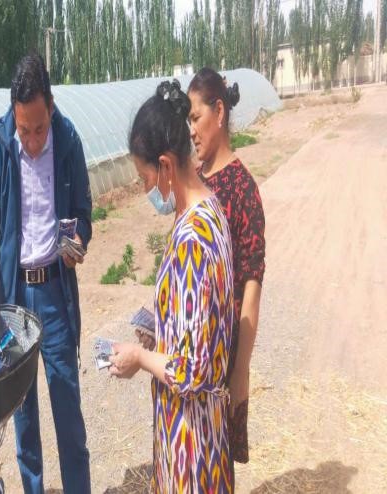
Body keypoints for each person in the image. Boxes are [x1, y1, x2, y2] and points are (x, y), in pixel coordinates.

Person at [0, 53, 92, 493]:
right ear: (13, 115)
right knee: (23, 417)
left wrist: (79, 240)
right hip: (14, 298)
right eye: (25, 129)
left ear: (50, 107)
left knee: (68, 414)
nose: (33, 141)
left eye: (39, 128)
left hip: (55, 295)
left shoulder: (68, 140)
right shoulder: (0, 142)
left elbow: (83, 213)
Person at [109, 80, 234, 493]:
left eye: (145, 177)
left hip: (191, 446)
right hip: (199, 433)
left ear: (165, 165)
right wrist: (160, 330)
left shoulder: (194, 240)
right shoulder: (207, 209)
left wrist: (140, 357)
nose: (146, 189)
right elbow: (197, 324)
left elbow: (191, 370)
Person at [188, 68, 266, 468]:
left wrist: (240, 371)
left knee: (216, 467)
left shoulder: (242, 188)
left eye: (195, 118)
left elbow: (251, 285)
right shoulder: (195, 181)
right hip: (192, 353)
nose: (191, 131)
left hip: (223, 356)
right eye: (188, 121)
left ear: (219, 112)